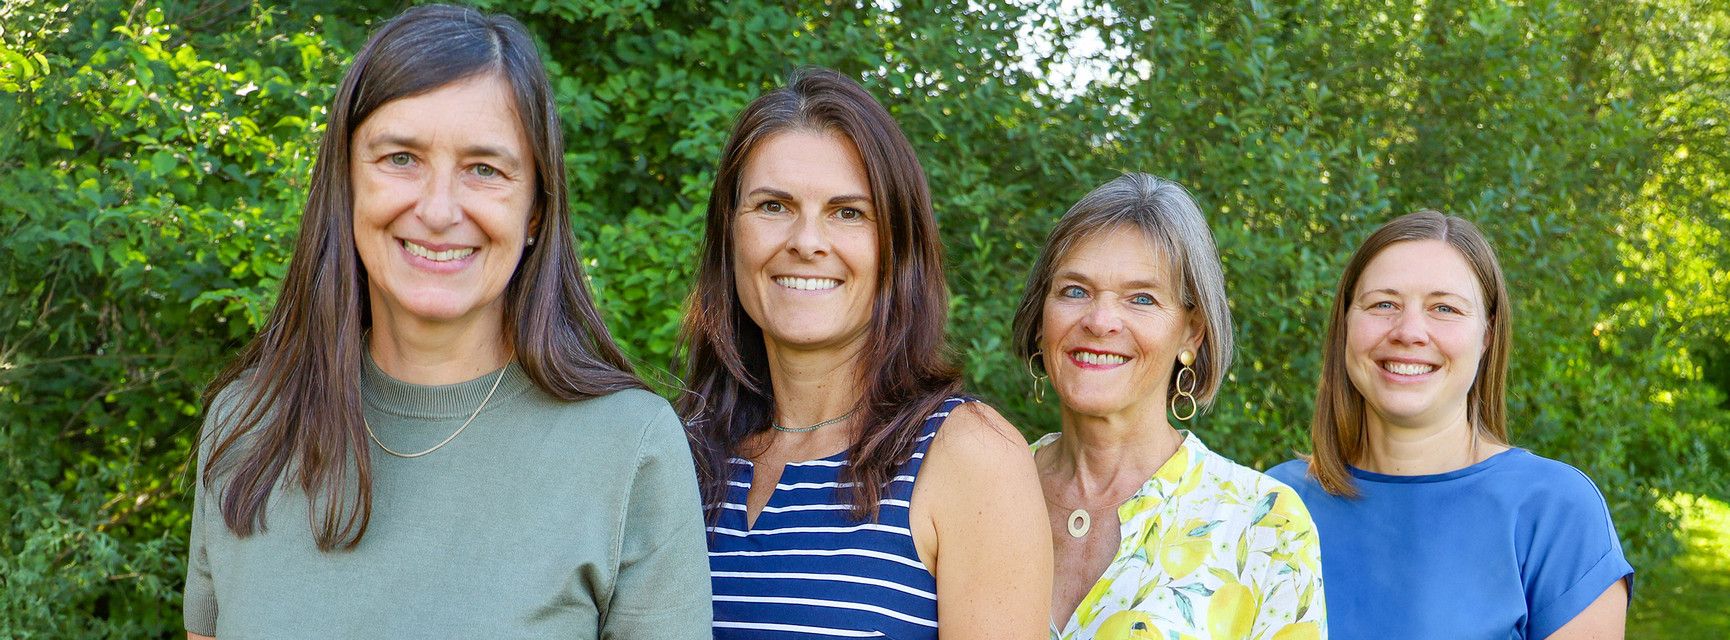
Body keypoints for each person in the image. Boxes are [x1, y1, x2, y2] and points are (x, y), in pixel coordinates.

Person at [182, 5, 710, 638]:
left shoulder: (628, 449)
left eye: (484, 169)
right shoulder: (248, 427)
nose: (437, 210)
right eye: (400, 157)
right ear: (345, 183)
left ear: (536, 209)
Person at [677, 67, 1052, 639]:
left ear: (896, 248)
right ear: (729, 234)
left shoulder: (969, 455)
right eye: (773, 206)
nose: (806, 241)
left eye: (847, 212)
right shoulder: (680, 452)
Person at [1267, 210, 1633, 640]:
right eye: (1384, 303)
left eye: (1445, 308)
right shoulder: (1275, 505)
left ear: (1487, 336)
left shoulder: (1555, 512)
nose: (1410, 331)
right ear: (1345, 322)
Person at [1013, 174, 1327, 640]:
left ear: (1191, 333)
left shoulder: (1263, 523)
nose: (1100, 321)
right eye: (1075, 291)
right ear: (1042, 320)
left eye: (1142, 298)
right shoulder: (987, 486)